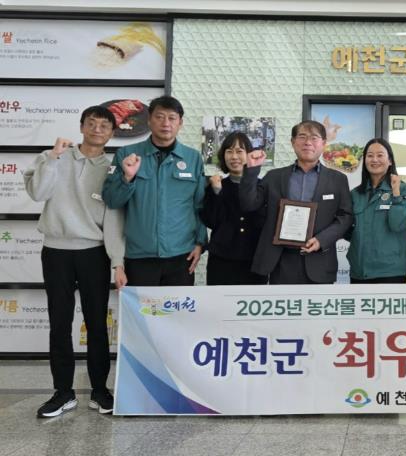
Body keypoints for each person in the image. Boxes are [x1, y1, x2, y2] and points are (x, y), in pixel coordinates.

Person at [25, 106, 126, 418]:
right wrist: (54, 158)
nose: (97, 129)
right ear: (81, 126)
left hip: (94, 252)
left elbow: (114, 219)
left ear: (112, 133)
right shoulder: (54, 156)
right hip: (56, 250)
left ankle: (100, 390)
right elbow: (38, 193)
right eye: (91, 123)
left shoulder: (112, 169)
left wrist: (117, 261)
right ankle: (63, 392)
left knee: (97, 323)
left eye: (104, 125)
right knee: (59, 323)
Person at [102, 96, 207, 286]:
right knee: (142, 306)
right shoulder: (126, 154)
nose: (165, 123)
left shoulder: (192, 158)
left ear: (180, 123)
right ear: (149, 120)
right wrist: (127, 178)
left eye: (172, 118)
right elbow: (112, 200)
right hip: (139, 255)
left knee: (177, 306)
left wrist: (200, 242)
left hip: (181, 254)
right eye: (159, 117)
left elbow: (199, 204)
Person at [239, 120, 352, 284]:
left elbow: (345, 217)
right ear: (293, 142)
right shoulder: (274, 177)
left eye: (314, 138)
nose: (308, 142)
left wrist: (321, 240)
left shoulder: (338, 180)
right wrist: (251, 171)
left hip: (319, 262)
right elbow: (248, 204)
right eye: (302, 137)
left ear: (323, 144)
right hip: (279, 261)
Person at [200, 132, 266, 285]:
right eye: (229, 151)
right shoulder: (215, 185)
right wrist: (217, 192)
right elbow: (210, 221)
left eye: (239, 151)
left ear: (249, 155)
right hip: (222, 259)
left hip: (255, 259)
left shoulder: (262, 186)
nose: (234, 157)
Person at [346, 138, 406, 283]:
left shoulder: (402, 189)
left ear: (390, 161)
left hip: (390, 272)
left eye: (380, 155)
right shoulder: (355, 194)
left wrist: (395, 193)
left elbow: (398, 225)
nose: (374, 160)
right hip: (359, 271)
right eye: (370, 156)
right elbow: (347, 229)